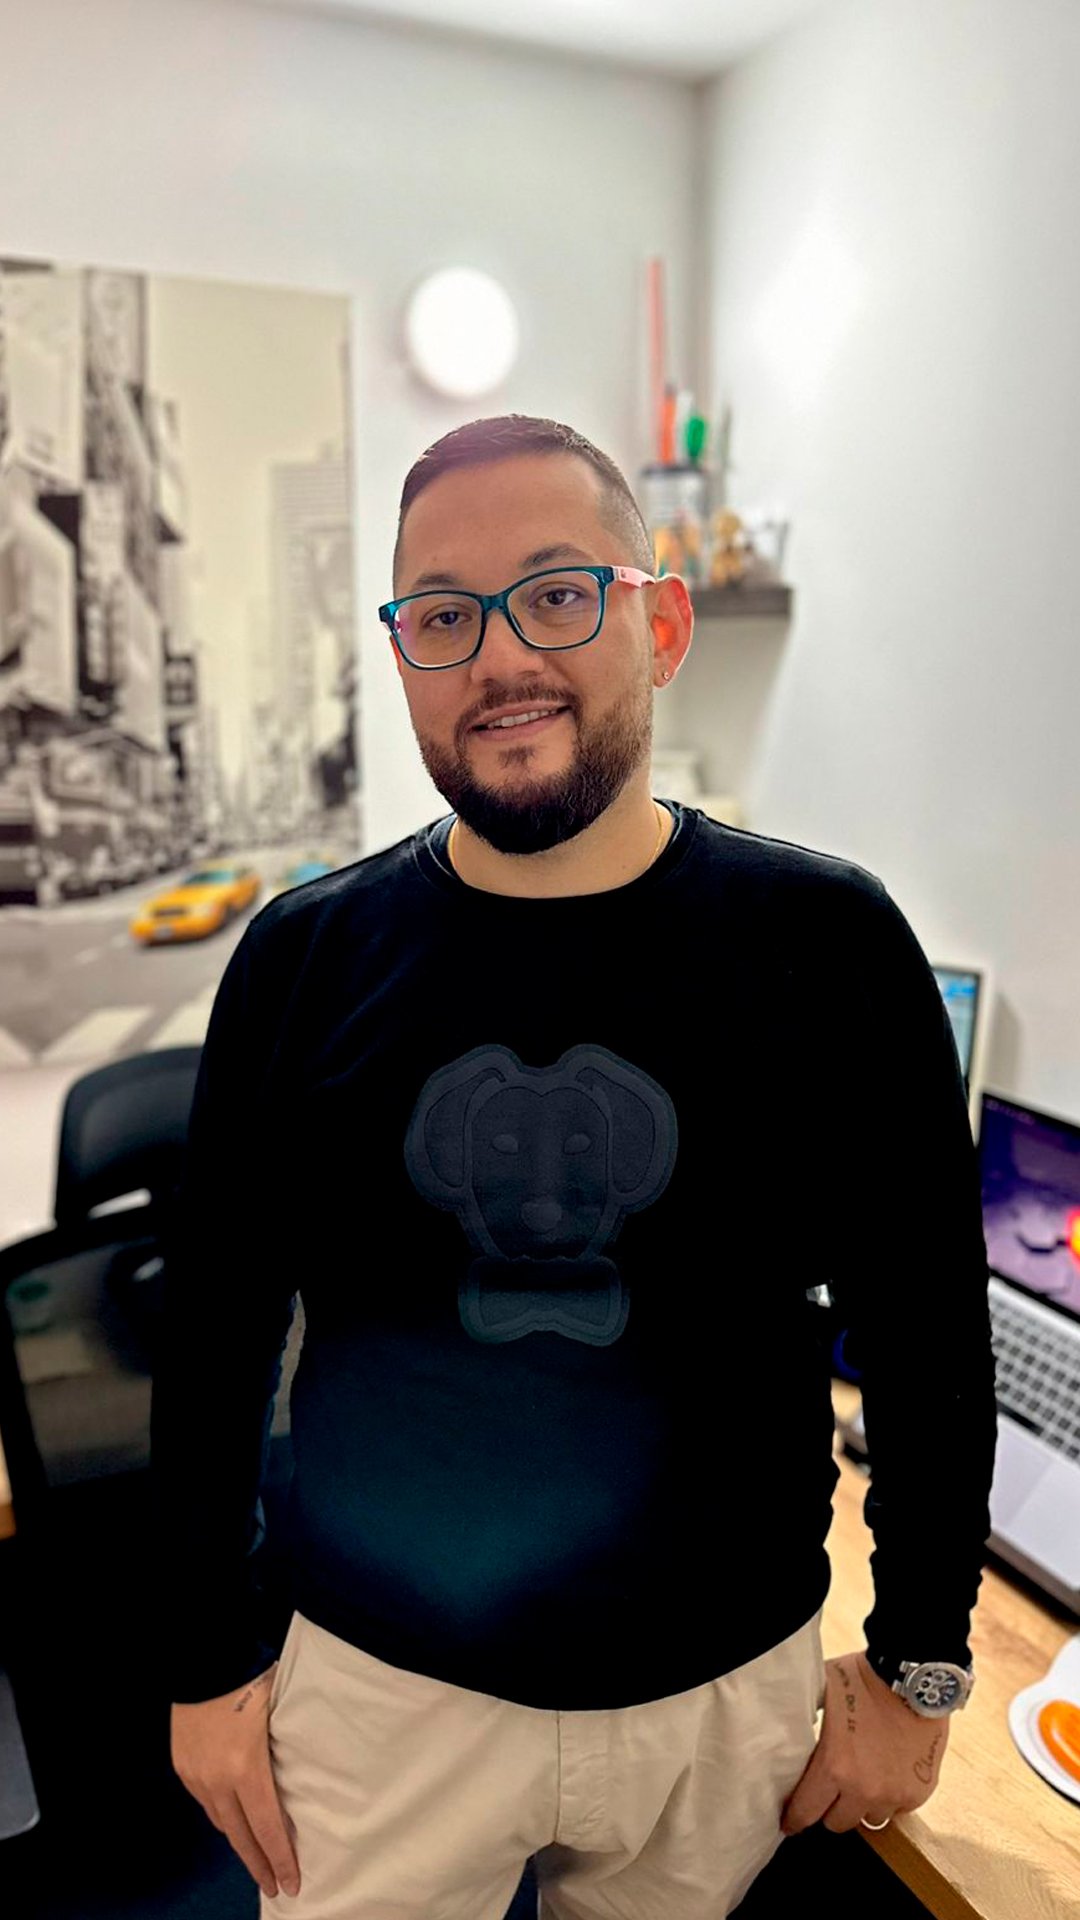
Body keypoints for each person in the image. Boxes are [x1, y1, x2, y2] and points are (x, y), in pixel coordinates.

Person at [151, 415, 998, 1919]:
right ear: (402, 654)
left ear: (660, 624)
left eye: (556, 593)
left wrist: (921, 1662)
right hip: (380, 1698)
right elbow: (214, 1333)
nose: (499, 658)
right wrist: (204, 1659)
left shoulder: (830, 949)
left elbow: (929, 1330)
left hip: (721, 1704)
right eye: (443, 616)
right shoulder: (302, 963)